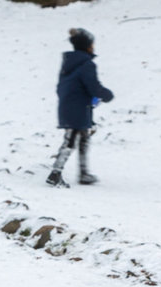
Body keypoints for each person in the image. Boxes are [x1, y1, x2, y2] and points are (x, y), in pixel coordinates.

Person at [46, 28, 115, 188]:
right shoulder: (86, 64)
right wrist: (107, 95)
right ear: (88, 46)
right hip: (78, 107)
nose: (93, 47)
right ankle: (55, 173)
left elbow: (61, 87)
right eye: (92, 44)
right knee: (70, 140)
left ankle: (84, 173)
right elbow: (93, 87)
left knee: (83, 138)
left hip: (73, 105)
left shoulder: (69, 64)